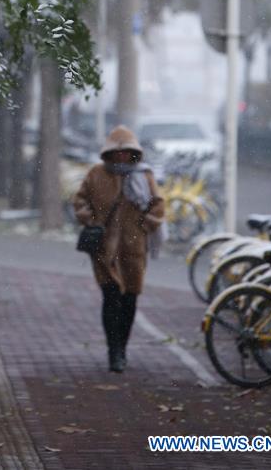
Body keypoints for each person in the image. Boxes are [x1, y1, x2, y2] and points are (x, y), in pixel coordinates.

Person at [74, 124, 165, 372]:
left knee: (129, 300)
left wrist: (146, 225)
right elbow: (80, 200)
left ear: (134, 153)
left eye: (127, 152)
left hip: (134, 249)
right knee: (111, 297)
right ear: (109, 153)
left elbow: (158, 206)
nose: (122, 156)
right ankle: (114, 350)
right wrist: (91, 220)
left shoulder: (144, 176)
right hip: (104, 249)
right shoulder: (96, 174)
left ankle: (122, 347)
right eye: (118, 152)